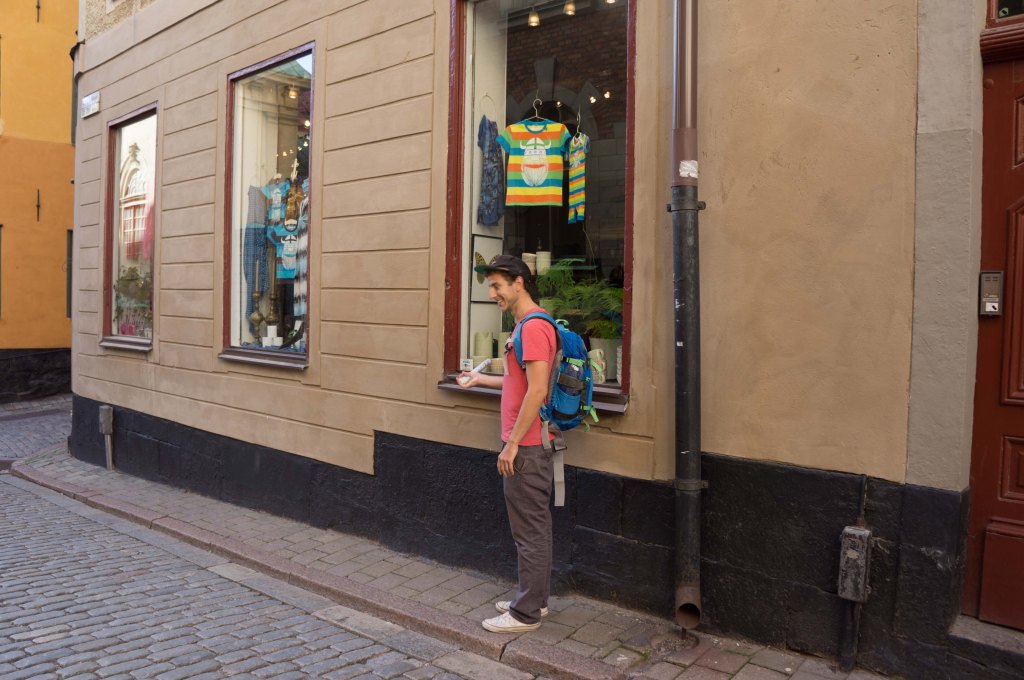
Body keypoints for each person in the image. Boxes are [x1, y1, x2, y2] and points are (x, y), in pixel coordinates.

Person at [459, 254, 556, 633]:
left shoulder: (533, 328)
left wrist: (512, 444)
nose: (492, 294)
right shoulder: (524, 326)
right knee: (532, 529)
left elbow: (538, 391)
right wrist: (480, 379)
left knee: (530, 532)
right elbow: (520, 383)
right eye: (490, 287)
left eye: (497, 286)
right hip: (527, 444)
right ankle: (535, 600)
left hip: (527, 447)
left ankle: (525, 613)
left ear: (519, 283)